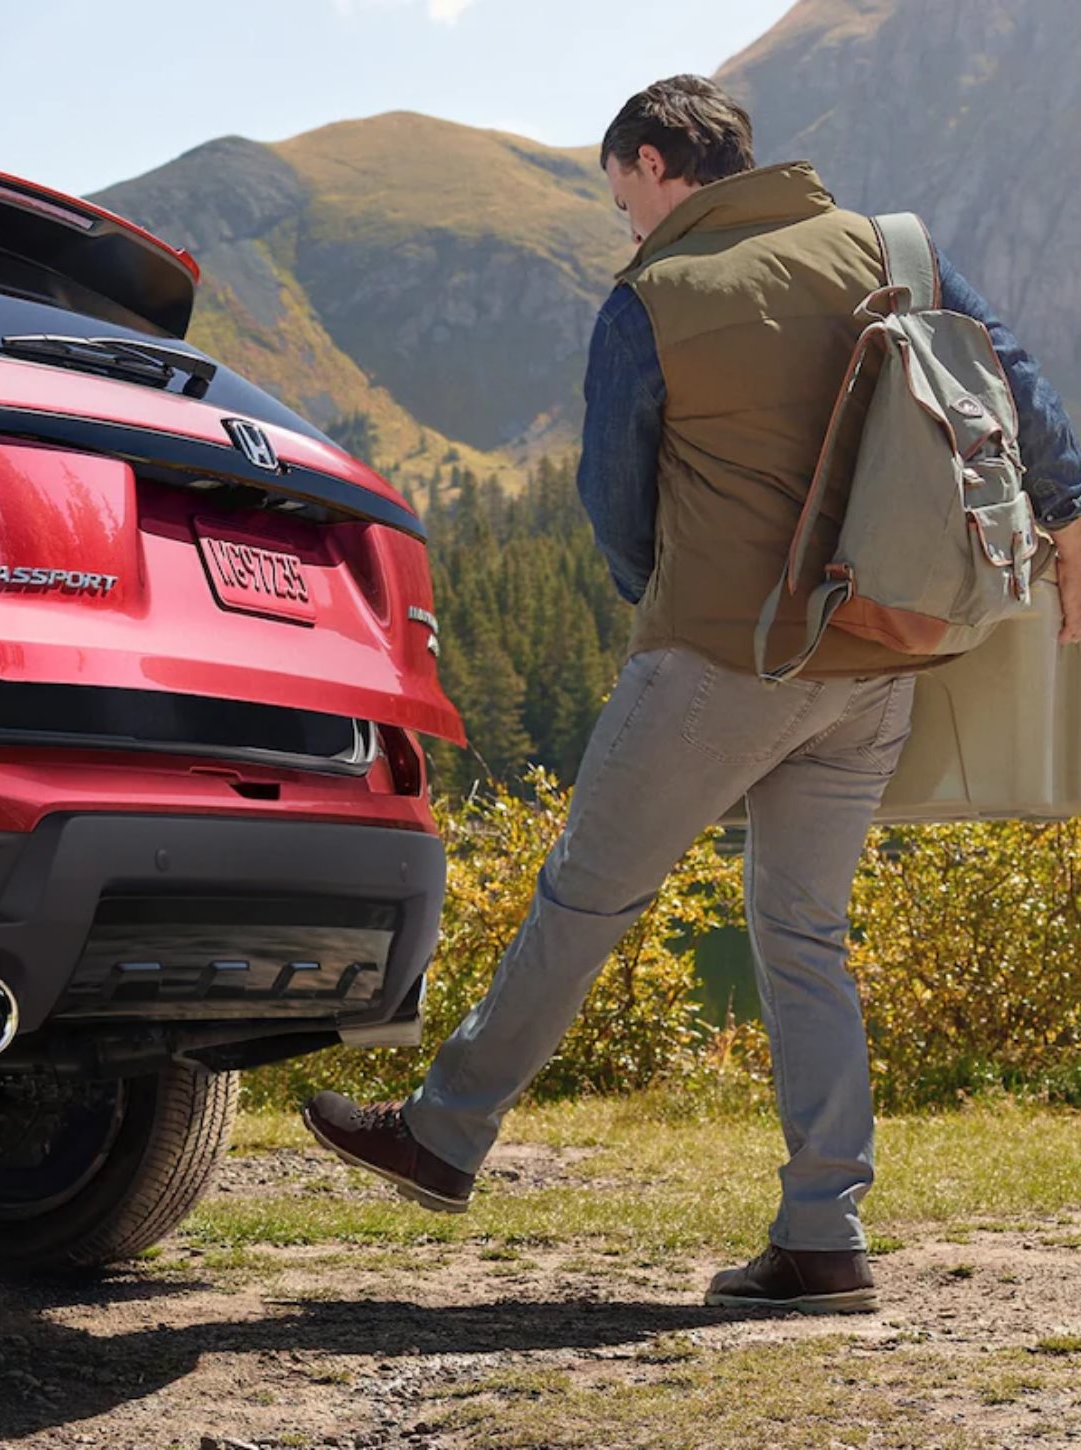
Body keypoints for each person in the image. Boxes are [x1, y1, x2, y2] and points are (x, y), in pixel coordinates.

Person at [299, 75, 1081, 1314]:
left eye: (623, 196)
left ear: (657, 162)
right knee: (804, 936)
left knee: (584, 897)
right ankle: (824, 1232)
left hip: (724, 657)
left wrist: (658, 608)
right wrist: (1071, 509)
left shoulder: (654, 295)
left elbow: (613, 501)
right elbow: (1013, 382)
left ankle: (441, 1136)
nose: (625, 224)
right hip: (878, 659)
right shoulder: (898, 246)